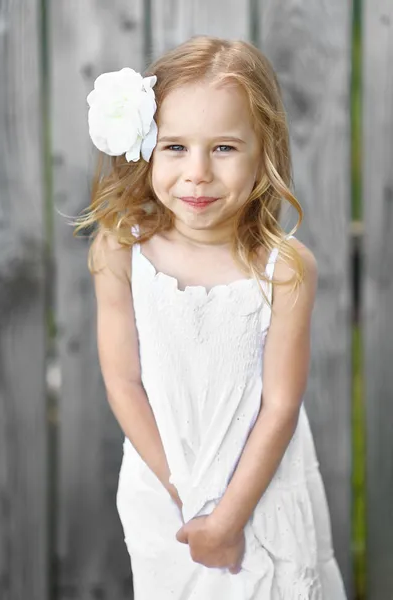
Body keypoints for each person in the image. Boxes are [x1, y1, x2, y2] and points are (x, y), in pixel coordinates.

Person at [75, 36, 347, 599]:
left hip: (260, 490)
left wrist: (226, 519)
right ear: (146, 146)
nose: (197, 173)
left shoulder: (286, 268)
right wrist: (186, 495)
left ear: (262, 150)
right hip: (164, 491)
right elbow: (124, 382)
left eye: (223, 148)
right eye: (175, 147)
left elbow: (280, 405)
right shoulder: (120, 251)